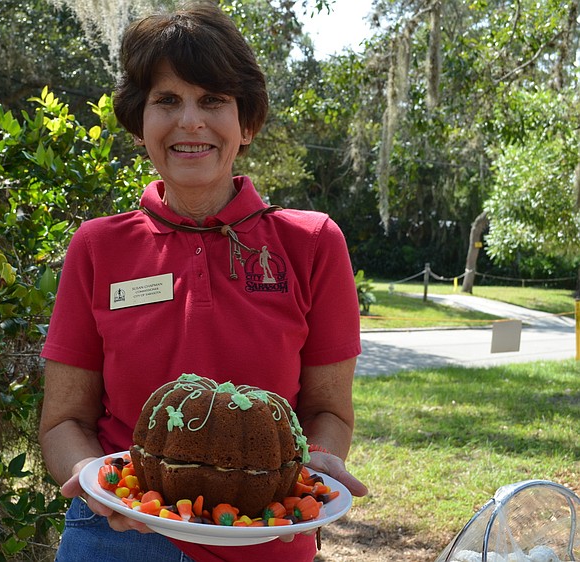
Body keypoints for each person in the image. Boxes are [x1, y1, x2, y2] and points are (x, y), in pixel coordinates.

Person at [38, 3, 368, 561]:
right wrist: (92, 480)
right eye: (167, 100)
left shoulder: (312, 243)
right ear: (140, 122)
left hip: (268, 530)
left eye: (213, 100)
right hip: (121, 530)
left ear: (247, 122)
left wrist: (316, 463)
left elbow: (328, 410)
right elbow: (64, 421)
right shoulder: (98, 245)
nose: (190, 121)